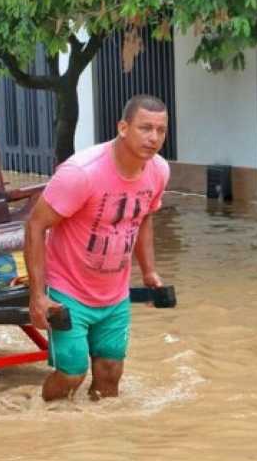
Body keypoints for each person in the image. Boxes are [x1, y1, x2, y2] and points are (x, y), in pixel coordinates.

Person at [24, 94, 171, 402]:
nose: (153, 137)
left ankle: (99, 443)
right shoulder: (81, 173)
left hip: (114, 294)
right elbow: (36, 226)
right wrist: (37, 296)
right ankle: (45, 425)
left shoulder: (158, 171)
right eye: (145, 128)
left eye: (160, 130)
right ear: (123, 127)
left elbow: (144, 217)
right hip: (69, 291)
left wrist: (149, 272)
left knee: (109, 374)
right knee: (72, 373)